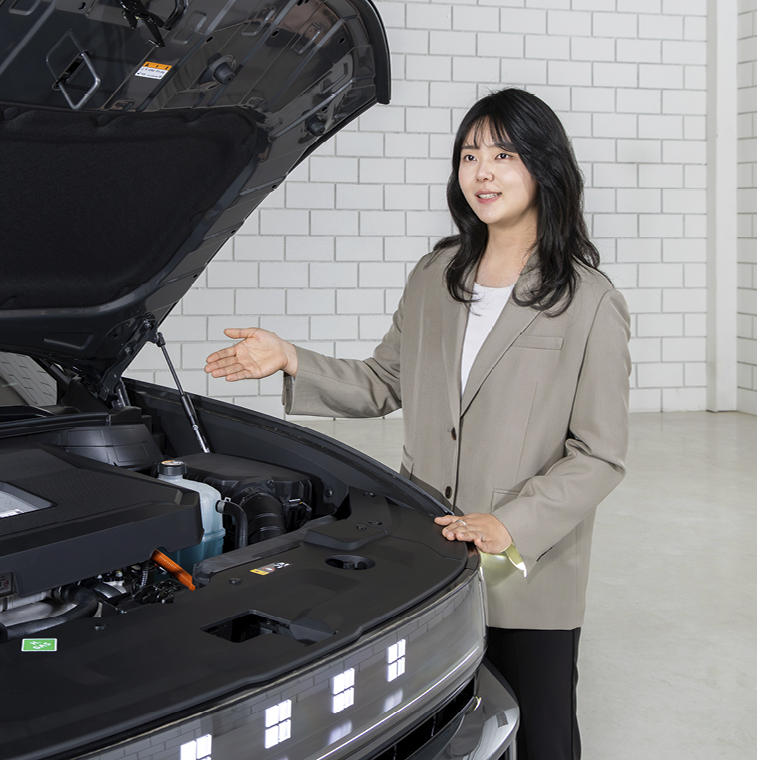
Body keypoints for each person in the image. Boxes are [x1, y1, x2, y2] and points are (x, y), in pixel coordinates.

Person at [203, 88, 630, 760]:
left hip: (527, 570)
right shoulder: (434, 277)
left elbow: (600, 454)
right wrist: (291, 358)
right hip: (425, 549)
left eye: (502, 154)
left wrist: (511, 523)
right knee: (436, 724)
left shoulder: (589, 300)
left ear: (544, 169)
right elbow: (383, 383)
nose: (481, 171)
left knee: (543, 731)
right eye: (469, 155)